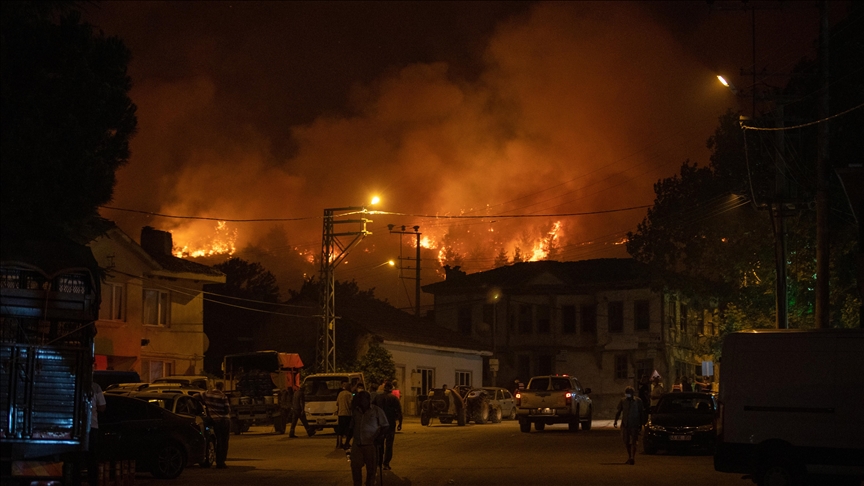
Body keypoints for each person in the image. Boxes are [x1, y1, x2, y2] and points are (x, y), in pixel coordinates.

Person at [345, 391, 388, 486]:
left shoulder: (376, 410)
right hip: (357, 444)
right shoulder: (356, 411)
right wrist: (347, 441)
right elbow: (352, 427)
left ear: (368, 400)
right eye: (360, 399)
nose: (362, 401)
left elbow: (385, 426)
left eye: (364, 399)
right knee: (355, 467)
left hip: (371, 444)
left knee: (371, 469)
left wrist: (379, 437)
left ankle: (370, 484)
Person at [371, 381, 402, 470]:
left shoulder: (378, 397)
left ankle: (378, 462)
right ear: (391, 389)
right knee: (389, 444)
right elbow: (399, 411)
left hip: (379, 424)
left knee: (379, 443)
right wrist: (400, 423)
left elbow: (371, 409)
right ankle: (386, 463)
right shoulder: (394, 399)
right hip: (390, 424)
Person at [200, 381, 231, 468]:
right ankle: (220, 462)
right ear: (222, 387)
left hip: (214, 420)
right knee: (223, 442)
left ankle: (212, 460)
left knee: (217, 440)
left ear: (215, 386)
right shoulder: (223, 396)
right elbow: (227, 410)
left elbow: (196, 396)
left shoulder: (207, 394)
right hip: (224, 420)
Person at [613, 386, 645, 465]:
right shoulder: (623, 401)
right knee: (626, 441)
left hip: (634, 424)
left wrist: (641, 423)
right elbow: (619, 411)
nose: (628, 395)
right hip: (625, 424)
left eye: (629, 393)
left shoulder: (638, 401)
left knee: (634, 441)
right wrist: (615, 421)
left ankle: (632, 457)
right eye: (627, 393)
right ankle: (629, 456)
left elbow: (641, 412)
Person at [87, 380, 107, 486]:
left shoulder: (72, 383)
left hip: (71, 426)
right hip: (92, 426)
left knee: (75, 459)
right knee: (92, 458)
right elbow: (102, 407)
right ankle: (92, 482)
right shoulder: (95, 387)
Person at [336, 379, 353, 448]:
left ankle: (339, 443)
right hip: (347, 414)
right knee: (348, 429)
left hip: (340, 413)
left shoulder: (340, 394)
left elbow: (337, 403)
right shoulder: (349, 394)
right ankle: (347, 443)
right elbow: (350, 404)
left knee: (340, 430)